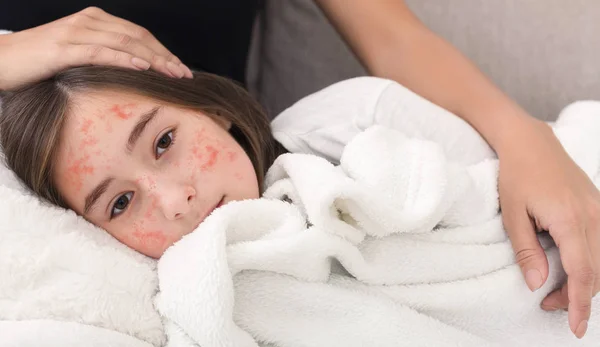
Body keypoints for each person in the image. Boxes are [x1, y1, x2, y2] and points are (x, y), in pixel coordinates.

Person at [0, 1, 597, 339]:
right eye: (123, 202)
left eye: (163, 145)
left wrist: (529, 141)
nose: (175, 198)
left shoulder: (343, 133)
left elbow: (392, 38)